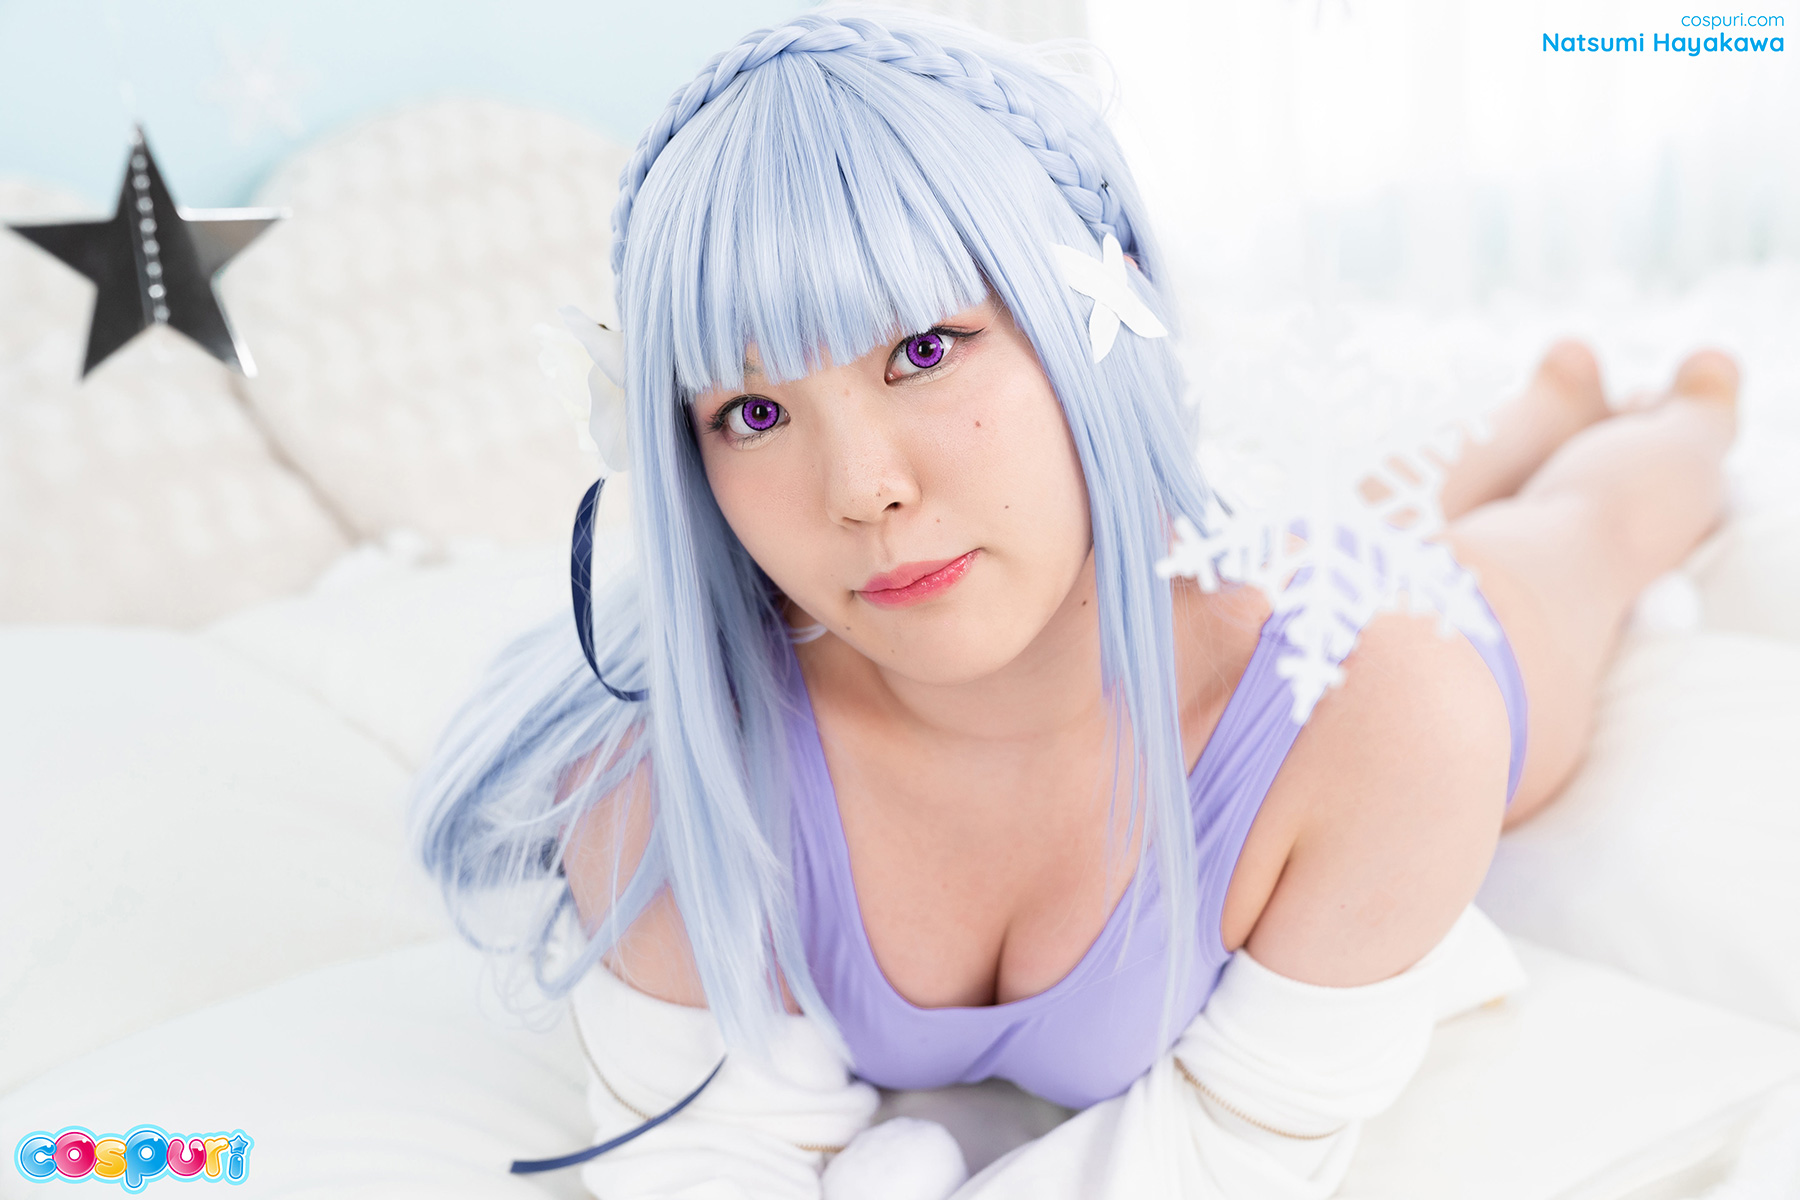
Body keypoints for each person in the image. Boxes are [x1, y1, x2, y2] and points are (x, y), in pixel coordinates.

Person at [410, 7, 1738, 1192]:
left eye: (924, 349)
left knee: (1587, 529)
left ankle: (1643, 408)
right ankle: (1535, 407)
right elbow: (696, 1153)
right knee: (1356, 492)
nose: (863, 491)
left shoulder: (1385, 709)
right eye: (753, 412)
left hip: (1295, 638)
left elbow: (1224, 1157)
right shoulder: (661, 775)